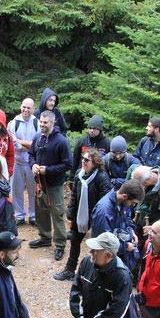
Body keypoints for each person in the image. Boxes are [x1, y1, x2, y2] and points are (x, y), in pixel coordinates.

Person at [54, 148, 112, 281]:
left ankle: (96, 274)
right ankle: (69, 270)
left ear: (95, 162)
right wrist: (70, 213)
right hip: (80, 215)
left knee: (97, 246)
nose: (83, 162)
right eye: (82, 159)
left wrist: (96, 220)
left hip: (97, 216)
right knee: (75, 241)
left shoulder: (101, 177)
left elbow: (105, 200)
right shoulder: (79, 174)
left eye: (86, 160)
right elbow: (74, 195)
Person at [29, 111, 71, 260]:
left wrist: (48, 170)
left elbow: (68, 164)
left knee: (57, 214)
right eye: (41, 122)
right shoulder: (37, 138)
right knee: (41, 211)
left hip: (54, 185)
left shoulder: (61, 141)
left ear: (52, 123)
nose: (42, 125)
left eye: (45, 123)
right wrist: (33, 165)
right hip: (40, 184)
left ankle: (60, 245)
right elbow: (31, 155)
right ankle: (45, 238)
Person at [91, 180, 145, 274]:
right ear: (125, 196)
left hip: (117, 254)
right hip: (104, 258)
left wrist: (131, 231)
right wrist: (126, 246)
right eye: (132, 203)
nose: (132, 205)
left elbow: (127, 218)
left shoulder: (122, 202)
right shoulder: (104, 211)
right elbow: (103, 242)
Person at [9, 98, 39, 225]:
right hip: (17, 162)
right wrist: (28, 146)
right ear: (20, 106)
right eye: (24, 107)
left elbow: (37, 144)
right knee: (17, 190)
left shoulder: (37, 123)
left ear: (33, 109)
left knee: (33, 190)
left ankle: (33, 216)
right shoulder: (13, 123)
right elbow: (12, 143)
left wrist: (20, 142)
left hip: (32, 163)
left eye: (29, 108)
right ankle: (19, 215)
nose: (26, 110)